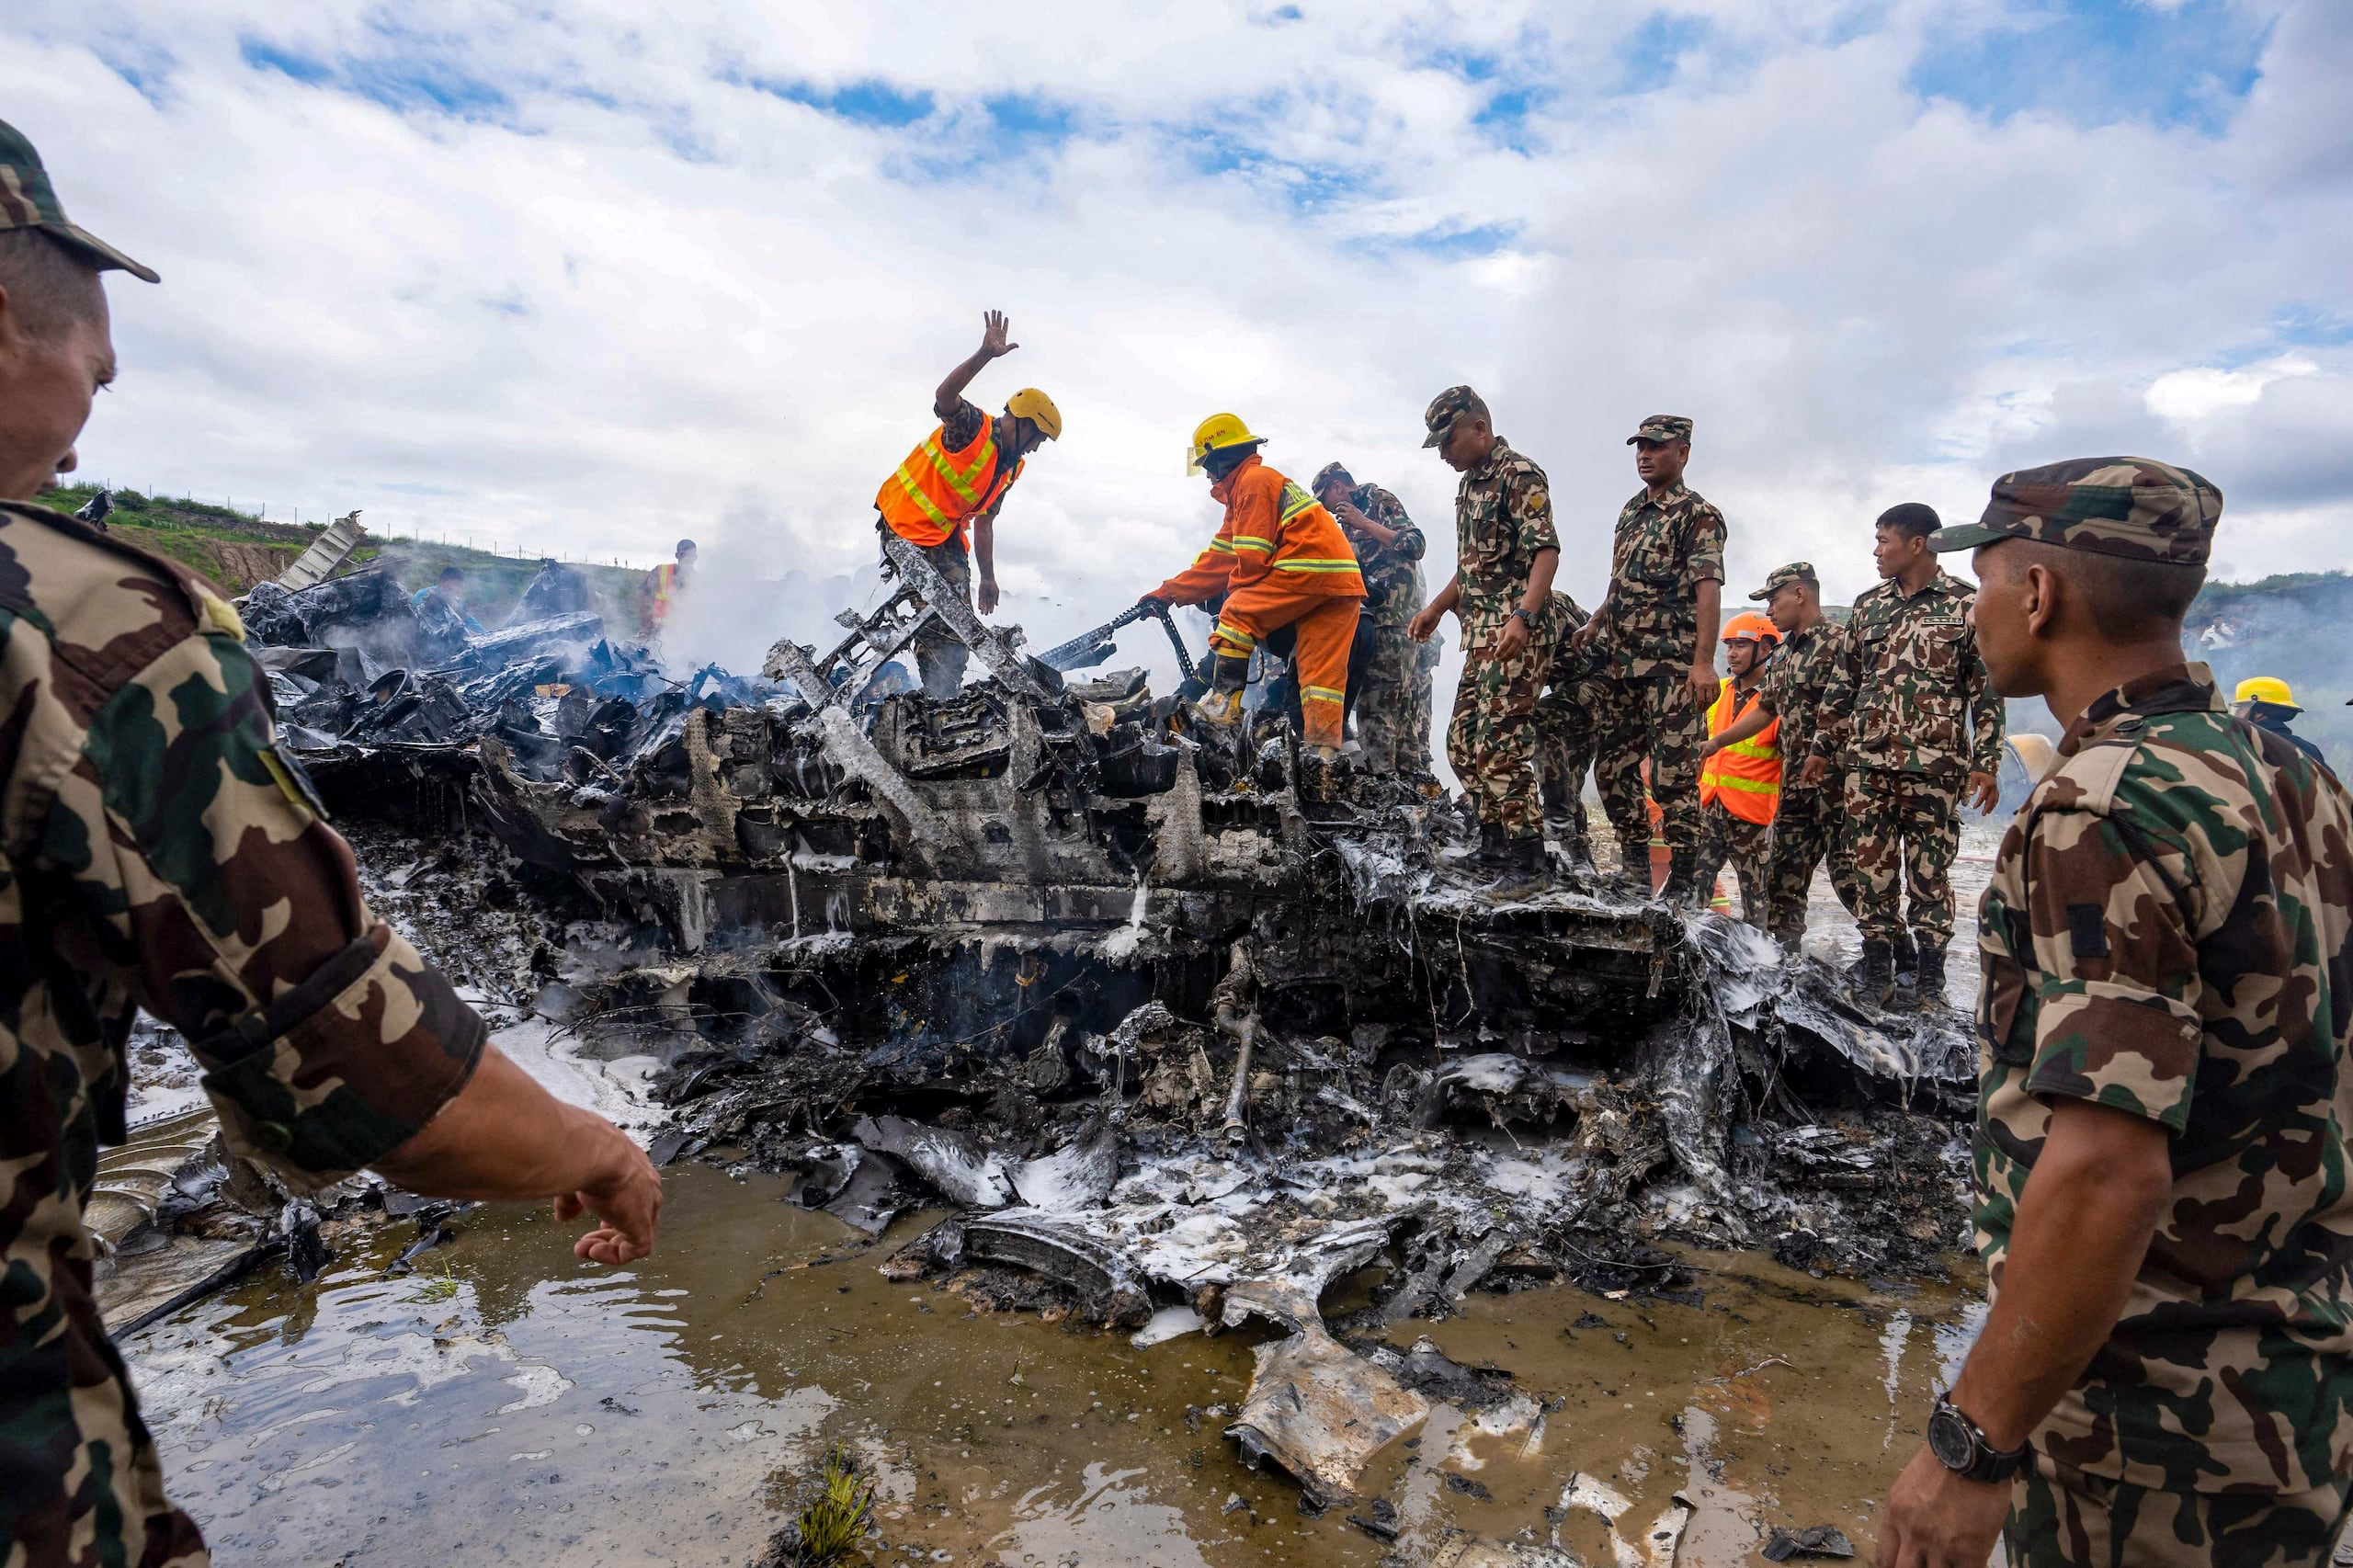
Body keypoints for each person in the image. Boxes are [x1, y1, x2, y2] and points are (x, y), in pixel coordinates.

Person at [0, 119, 664, 1565]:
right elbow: (345, 1058)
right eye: (94, 368)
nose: (94, 406)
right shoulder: (84, 626)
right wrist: (599, 1148)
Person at [1875, 456, 2353, 1568]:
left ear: (2037, 595)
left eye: (1983, 579)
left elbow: (2104, 1167)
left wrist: (1970, 1443)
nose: (1972, 609)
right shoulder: (2287, 773)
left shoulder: (2096, 806)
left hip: (2152, 1425)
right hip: (2299, 1383)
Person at [1801, 505, 2001, 1007]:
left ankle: (1931, 979)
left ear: (1918, 544)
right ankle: (1878, 970)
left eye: (1883, 540)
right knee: (1872, 873)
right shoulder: (1867, 608)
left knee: (1930, 875)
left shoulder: (1965, 606)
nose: (1876, 550)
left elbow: (1989, 690)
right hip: (1866, 767)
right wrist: (1822, 749)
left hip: (1935, 767)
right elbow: (1843, 685)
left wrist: (1987, 762)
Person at [1407, 387, 1569, 892]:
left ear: (1479, 428)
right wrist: (1436, 607)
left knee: (1500, 744)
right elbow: (1472, 569)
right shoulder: (1470, 485)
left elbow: (1546, 553)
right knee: (1461, 744)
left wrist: (1523, 616)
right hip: (1480, 636)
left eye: (1447, 440)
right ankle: (1494, 846)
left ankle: (1529, 862)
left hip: (1515, 634)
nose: (1443, 453)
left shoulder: (1518, 474)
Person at [1142, 415, 1363, 775]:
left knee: (1238, 609)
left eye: (1207, 465)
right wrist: (1167, 593)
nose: (1208, 475)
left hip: (1307, 567)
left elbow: (1251, 560)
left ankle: (1223, 705)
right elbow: (1218, 560)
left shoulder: (1253, 483)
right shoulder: (1254, 487)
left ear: (1220, 457)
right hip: (1341, 582)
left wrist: (1231, 598)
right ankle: (1321, 757)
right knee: (1320, 676)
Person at [1566, 415, 1726, 903]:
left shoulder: (1698, 515)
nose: (1645, 454)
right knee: (1612, 769)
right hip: (1624, 669)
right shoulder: (1632, 512)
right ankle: (1636, 871)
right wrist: (1595, 622)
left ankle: (1685, 884)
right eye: (1640, 446)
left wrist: (1702, 663)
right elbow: (1621, 584)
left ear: (1683, 453)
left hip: (1672, 670)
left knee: (1673, 779)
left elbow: (1708, 590)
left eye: (1656, 447)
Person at [875, 311, 1061, 699]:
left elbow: (985, 523)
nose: (1037, 446)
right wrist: (984, 355)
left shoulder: (1011, 468)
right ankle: (935, 699)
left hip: (942, 539)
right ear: (1022, 422)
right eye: (1039, 436)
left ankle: (941, 697)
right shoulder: (973, 427)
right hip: (905, 524)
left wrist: (989, 578)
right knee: (941, 615)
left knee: (959, 624)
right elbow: (944, 397)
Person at [1701, 562, 1865, 955]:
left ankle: (1890, 962)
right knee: (1783, 880)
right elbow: (1766, 709)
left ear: (1800, 594)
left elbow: (1853, 707)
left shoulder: (1841, 643)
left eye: (1774, 600)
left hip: (1838, 785)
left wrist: (1827, 754)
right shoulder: (1786, 653)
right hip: (1795, 786)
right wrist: (1717, 741)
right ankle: (1783, 961)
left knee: (1852, 879)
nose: (1770, 611)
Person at [1312, 461, 1430, 783]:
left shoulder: (1378, 501)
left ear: (1338, 487)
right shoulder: (1344, 524)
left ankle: (1383, 784)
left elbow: (1414, 544)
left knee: (1378, 707)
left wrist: (1363, 523)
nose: (1326, 508)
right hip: (1368, 624)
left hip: (1394, 623)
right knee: (1392, 709)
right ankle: (1407, 787)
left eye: (1325, 499)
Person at [1691, 613, 1781, 926]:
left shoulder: (1777, 700)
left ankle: (1760, 965)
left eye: (1741, 645)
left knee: (1758, 906)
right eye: (1729, 645)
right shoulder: (1717, 691)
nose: (1732, 653)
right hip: (1709, 810)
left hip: (1752, 820)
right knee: (1692, 895)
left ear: (1766, 649)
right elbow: (1701, 747)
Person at [2230, 676, 2329, 769]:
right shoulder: (2309, 749)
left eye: (2240, 708)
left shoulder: (2242, 746)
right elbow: (2331, 785)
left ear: (2258, 713)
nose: (2236, 714)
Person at [638, 537, 696, 641]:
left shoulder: (699, 582)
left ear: (695, 558)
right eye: (683, 554)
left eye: (689, 555)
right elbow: (641, 593)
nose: (686, 558)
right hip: (656, 633)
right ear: (677, 555)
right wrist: (645, 625)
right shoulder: (661, 571)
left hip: (684, 637)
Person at [411, 563, 486, 635]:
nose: (458, 590)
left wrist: (486, 635)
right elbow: (432, 625)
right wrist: (466, 633)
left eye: (460, 586)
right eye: (457, 585)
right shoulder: (423, 596)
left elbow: (468, 620)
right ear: (443, 581)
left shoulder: (455, 601)